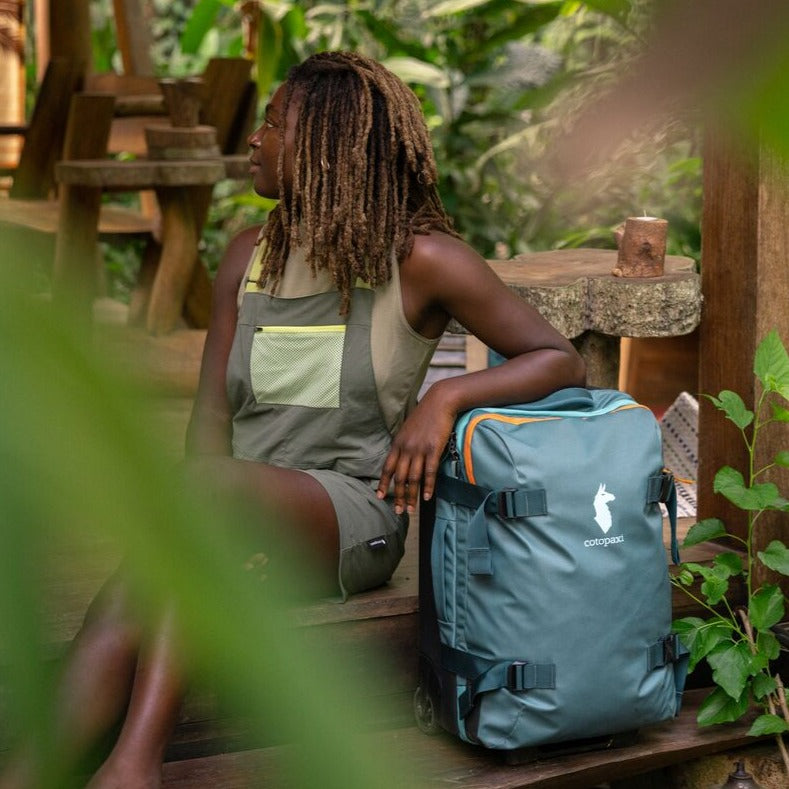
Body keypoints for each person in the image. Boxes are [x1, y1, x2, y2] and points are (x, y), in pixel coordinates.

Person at [0, 51, 585, 788]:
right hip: (225, 512)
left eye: (273, 123)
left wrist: (445, 399)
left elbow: (557, 359)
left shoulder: (421, 262)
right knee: (128, 594)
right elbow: (210, 416)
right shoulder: (247, 257)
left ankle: (135, 763)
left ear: (323, 144)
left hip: (351, 516)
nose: (255, 138)